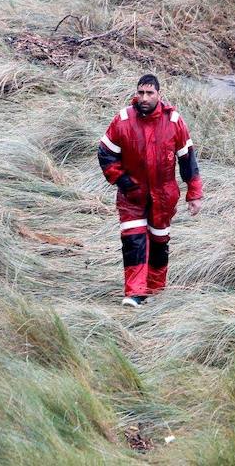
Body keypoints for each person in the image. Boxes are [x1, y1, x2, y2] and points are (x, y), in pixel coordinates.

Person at [97, 74, 203, 307]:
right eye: (140, 93)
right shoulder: (123, 119)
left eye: (149, 93)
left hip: (164, 196)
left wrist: (194, 194)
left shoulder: (174, 121)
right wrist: (123, 182)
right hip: (131, 195)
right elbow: (105, 153)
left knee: (159, 242)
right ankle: (134, 293)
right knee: (133, 241)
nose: (144, 98)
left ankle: (155, 291)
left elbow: (188, 160)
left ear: (159, 95)